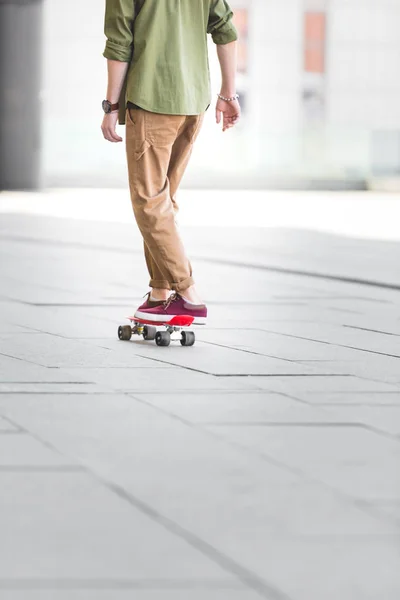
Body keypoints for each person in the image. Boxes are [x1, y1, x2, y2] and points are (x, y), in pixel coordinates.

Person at [102, 0, 240, 325]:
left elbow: (119, 42)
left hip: (153, 97)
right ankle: (160, 293)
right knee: (163, 199)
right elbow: (226, 29)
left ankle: (188, 293)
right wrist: (229, 93)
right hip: (193, 101)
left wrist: (110, 105)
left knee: (148, 201)